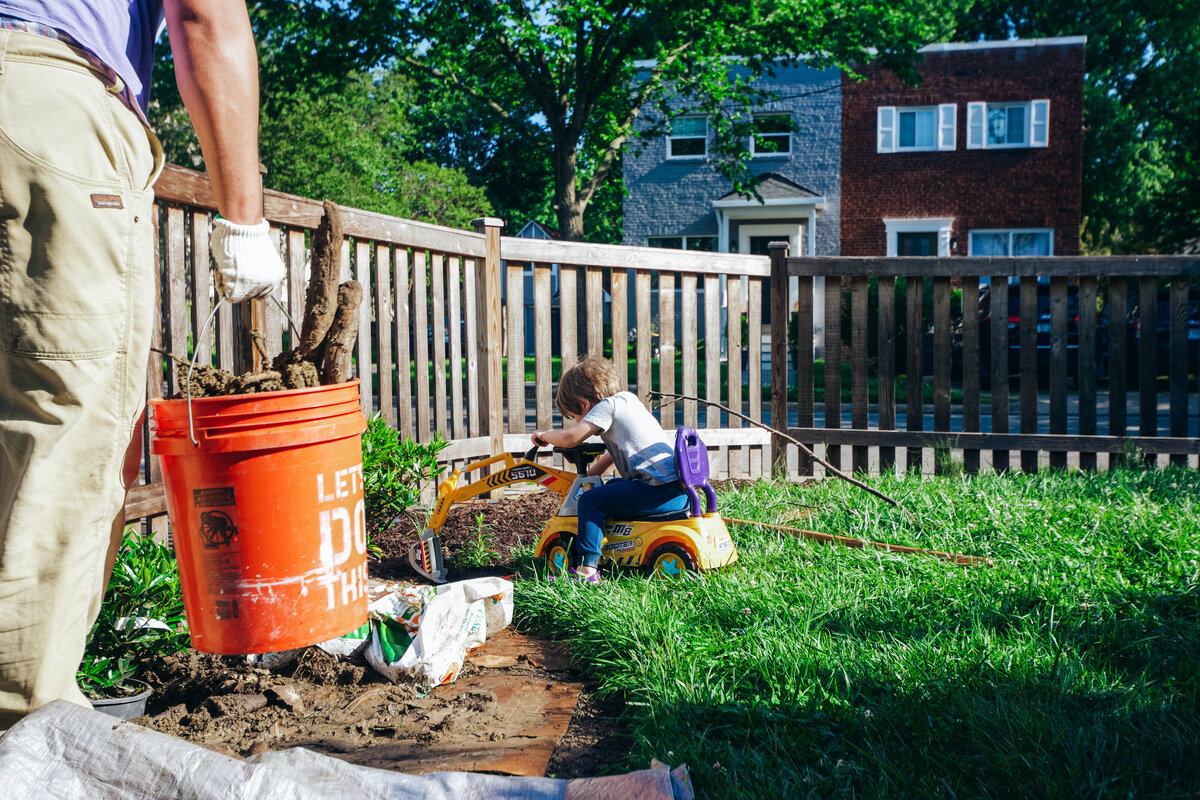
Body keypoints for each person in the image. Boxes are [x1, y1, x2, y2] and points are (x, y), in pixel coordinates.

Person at [0, 0, 284, 731]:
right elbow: (203, 16)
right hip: (39, 105)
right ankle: (23, 744)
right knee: (65, 440)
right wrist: (245, 218)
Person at [531, 356, 687, 583]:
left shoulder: (606, 407)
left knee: (590, 501)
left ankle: (587, 571)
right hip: (675, 493)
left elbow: (571, 438)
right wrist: (591, 477)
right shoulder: (629, 401)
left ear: (584, 404)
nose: (576, 422)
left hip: (656, 493)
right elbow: (613, 456)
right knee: (610, 487)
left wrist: (543, 435)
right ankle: (619, 546)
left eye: (574, 417)